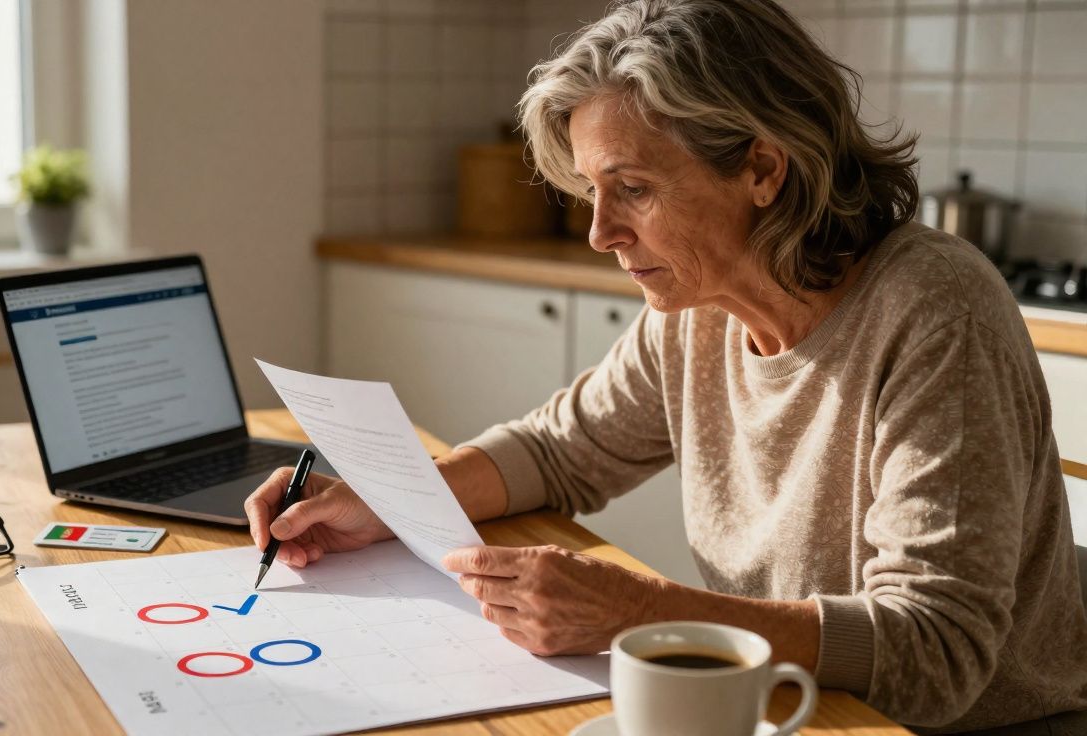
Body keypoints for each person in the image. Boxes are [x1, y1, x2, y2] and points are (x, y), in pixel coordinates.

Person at [247, 1, 1087, 732]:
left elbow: (938, 652)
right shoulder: (701, 303)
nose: (600, 233)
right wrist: (385, 499)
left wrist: (638, 611)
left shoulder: (935, 307)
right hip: (788, 705)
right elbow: (558, 451)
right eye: (592, 191)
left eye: (635, 189)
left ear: (762, 169)